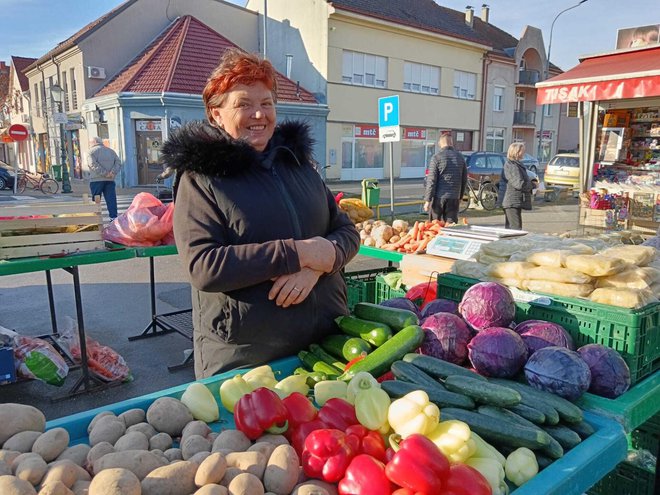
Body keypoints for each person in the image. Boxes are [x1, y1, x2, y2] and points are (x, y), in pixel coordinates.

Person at [161, 48, 360, 379]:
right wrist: (299, 252)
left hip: (325, 346)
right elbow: (204, 266)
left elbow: (345, 231)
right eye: (243, 104)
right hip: (248, 359)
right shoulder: (201, 177)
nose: (259, 114)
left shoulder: (297, 164)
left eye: (266, 103)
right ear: (215, 115)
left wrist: (320, 264)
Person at [423, 134, 467, 224]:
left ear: (440, 143)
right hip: (454, 197)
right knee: (451, 226)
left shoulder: (436, 157)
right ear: (451, 143)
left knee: (434, 226)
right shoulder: (460, 157)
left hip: (439, 197)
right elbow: (464, 179)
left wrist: (428, 200)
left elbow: (431, 180)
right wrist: (461, 196)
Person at [498, 142, 533, 230]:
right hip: (511, 201)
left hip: (515, 201)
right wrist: (533, 185)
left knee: (512, 229)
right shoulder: (511, 165)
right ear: (516, 152)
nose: (524, 153)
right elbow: (519, 183)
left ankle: (510, 243)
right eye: (522, 151)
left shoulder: (515, 164)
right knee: (515, 229)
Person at [87, 137, 122, 220]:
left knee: (96, 200)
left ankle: (96, 218)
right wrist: (112, 173)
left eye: (90, 142)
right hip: (110, 179)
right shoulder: (111, 151)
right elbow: (118, 163)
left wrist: (105, 173)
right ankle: (113, 217)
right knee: (111, 199)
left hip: (96, 180)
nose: (89, 144)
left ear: (94, 142)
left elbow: (92, 165)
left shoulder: (91, 152)